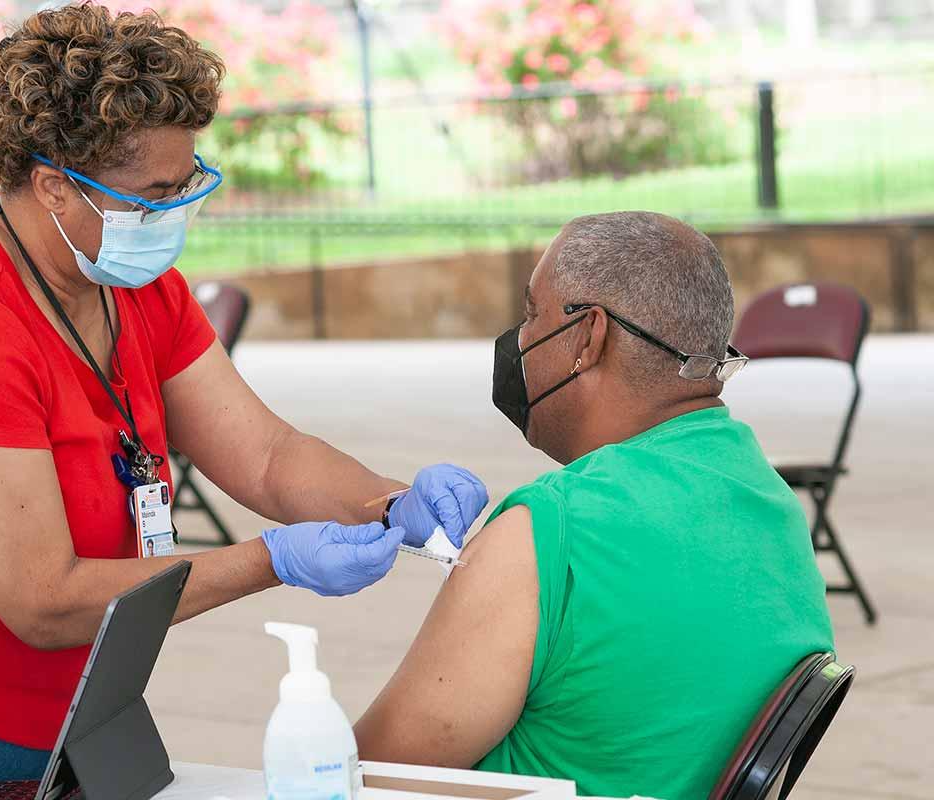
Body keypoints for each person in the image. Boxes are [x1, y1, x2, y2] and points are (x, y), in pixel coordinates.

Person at [0, 6, 487, 799]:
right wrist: (271, 560)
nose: (174, 213)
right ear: (55, 186)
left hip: (40, 721)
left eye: (187, 180)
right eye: (152, 195)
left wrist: (390, 502)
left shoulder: (128, 281)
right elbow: (44, 601)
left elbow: (265, 454)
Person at [354, 212, 834, 800]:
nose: (520, 340)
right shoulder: (771, 504)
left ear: (587, 337)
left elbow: (364, 774)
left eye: (533, 314)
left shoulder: (552, 529)